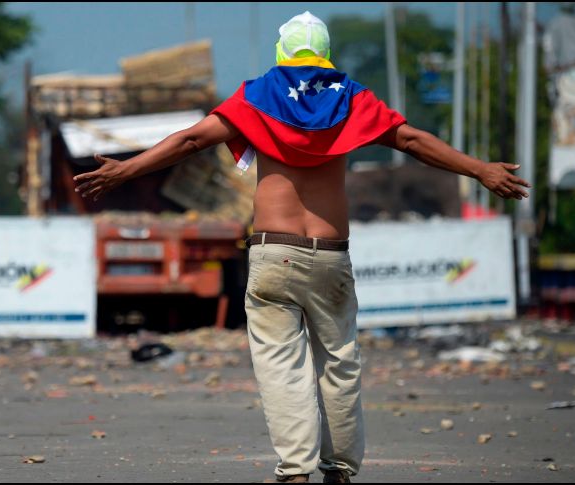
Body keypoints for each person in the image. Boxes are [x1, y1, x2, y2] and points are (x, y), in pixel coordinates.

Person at [73, 11, 530, 484]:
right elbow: (411, 139)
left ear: (282, 52)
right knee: (339, 362)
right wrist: (480, 169)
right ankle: (339, 469)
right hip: (331, 254)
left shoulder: (259, 94)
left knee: (279, 363)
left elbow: (191, 139)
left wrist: (126, 170)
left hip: (274, 251)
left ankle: (295, 471)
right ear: (325, 54)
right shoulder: (351, 97)